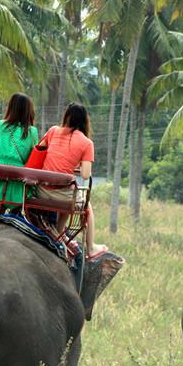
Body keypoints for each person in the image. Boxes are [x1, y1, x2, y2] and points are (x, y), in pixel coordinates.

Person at [39, 103, 106, 259]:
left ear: (66, 117)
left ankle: (59, 232)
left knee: (68, 193)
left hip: (41, 190)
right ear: (85, 121)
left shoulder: (53, 131)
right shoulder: (86, 143)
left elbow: (39, 151)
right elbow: (85, 174)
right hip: (62, 195)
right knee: (85, 203)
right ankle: (91, 248)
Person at [0, 93, 39, 208]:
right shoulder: (32, 132)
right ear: (28, 111)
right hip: (19, 182)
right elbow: (31, 160)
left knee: (1, 199)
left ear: (10, 107)